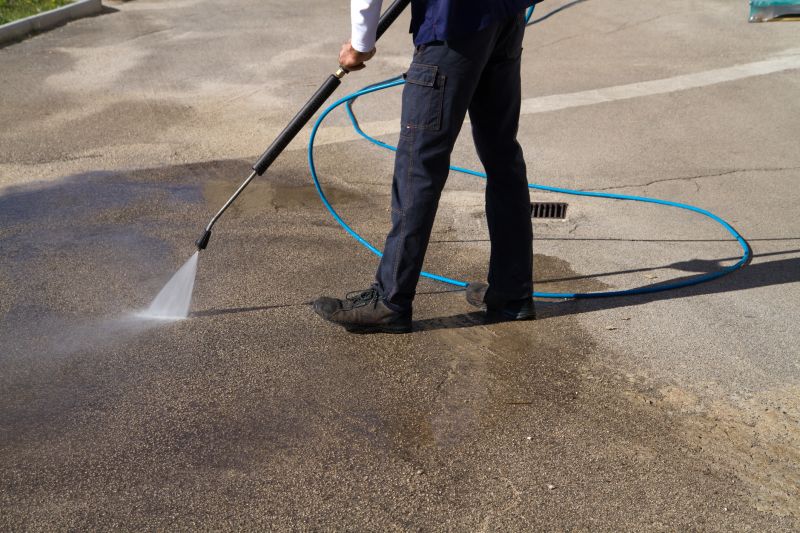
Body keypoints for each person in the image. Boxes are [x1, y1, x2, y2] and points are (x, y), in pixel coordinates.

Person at [314, 0, 537, 333]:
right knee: (502, 153)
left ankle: (390, 300)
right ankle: (512, 291)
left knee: (418, 165)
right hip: (505, 15)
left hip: (452, 23)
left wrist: (360, 44)